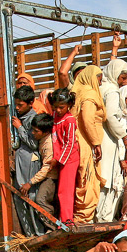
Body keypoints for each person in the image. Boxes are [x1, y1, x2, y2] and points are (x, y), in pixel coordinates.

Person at [97, 74, 127, 222]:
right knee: (107, 186)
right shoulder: (116, 117)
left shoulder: (125, 115)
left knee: (115, 190)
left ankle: (106, 219)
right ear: (125, 98)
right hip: (110, 158)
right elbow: (119, 140)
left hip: (117, 160)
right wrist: (122, 159)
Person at [72, 66, 107, 224]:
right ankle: (83, 219)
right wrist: (96, 143)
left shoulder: (78, 92)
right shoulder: (89, 94)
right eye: (99, 78)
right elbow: (87, 119)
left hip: (81, 141)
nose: (100, 83)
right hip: (86, 143)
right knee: (88, 181)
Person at [11, 85, 44, 236]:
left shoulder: (32, 119)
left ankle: (38, 234)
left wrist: (19, 128)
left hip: (30, 165)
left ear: (31, 103)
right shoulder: (21, 117)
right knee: (21, 198)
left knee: (31, 198)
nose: (17, 108)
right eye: (16, 104)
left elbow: (33, 144)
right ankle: (29, 235)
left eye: (20, 105)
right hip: (22, 165)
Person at [50, 88, 80, 224]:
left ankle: (67, 220)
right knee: (60, 191)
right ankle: (64, 218)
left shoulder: (70, 120)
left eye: (61, 107)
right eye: (55, 107)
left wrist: (60, 160)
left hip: (68, 159)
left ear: (68, 105)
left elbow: (70, 142)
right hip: (59, 158)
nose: (58, 110)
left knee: (65, 191)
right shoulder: (55, 116)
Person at [24, 113, 58, 227]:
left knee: (41, 200)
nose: (33, 133)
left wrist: (30, 183)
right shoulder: (43, 139)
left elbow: (46, 169)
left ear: (46, 132)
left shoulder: (48, 145)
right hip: (47, 177)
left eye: (36, 131)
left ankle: (52, 227)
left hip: (51, 177)